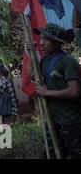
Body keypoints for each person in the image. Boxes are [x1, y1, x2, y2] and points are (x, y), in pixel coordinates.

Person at [30, 24, 81, 159]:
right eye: (41, 39)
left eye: (46, 39)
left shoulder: (68, 62)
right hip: (52, 120)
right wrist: (30, 52)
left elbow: (74, 91)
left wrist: (47, 93)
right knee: (54, 154)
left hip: (69, 121)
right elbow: (31, 75)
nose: (42, 43)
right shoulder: (46, 60)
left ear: (57, 42)